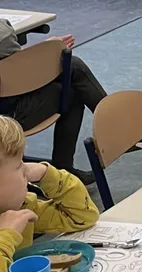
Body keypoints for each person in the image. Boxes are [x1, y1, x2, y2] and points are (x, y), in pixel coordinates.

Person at [0, 0, 107, 185]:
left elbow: (15, 65)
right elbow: (19, 77)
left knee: (70, 74)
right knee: (72, 83)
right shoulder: (4, 34)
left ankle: (64, 169)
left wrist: (44, 52)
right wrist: (49, 53)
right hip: (7, 117)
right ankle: (113, 126)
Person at [0, 116, 99, 272]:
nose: (26, 170)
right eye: (19, 165)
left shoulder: (21, 209)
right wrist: (6, 238)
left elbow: (82, 217)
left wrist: (47, 175)